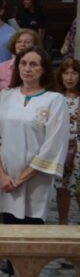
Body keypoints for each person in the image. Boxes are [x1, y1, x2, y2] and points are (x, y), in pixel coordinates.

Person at [0, 48, 68, 277]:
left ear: (43, 69)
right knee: (10, 234)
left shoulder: (55, 101)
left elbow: (54, 145)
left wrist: (21, 178)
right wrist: (0, 173)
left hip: (33, 182)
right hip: (6, 179)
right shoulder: (6, 96)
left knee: (30, 237)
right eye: (24, 64)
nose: (28, 69)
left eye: (34, 64)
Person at [53, 59, 80, 225]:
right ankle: (63, 223)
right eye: (66, 73)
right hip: (61, 146)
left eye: (74, 73)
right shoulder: (56, 98)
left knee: (78, 187)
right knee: (61, 187)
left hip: (78, 148)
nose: (69, 77)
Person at [0, 29, 38, 95]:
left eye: (27, 42)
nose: (22, 44)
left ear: (35, 46)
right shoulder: (1, 67)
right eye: (19, 41)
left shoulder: (39, 68)